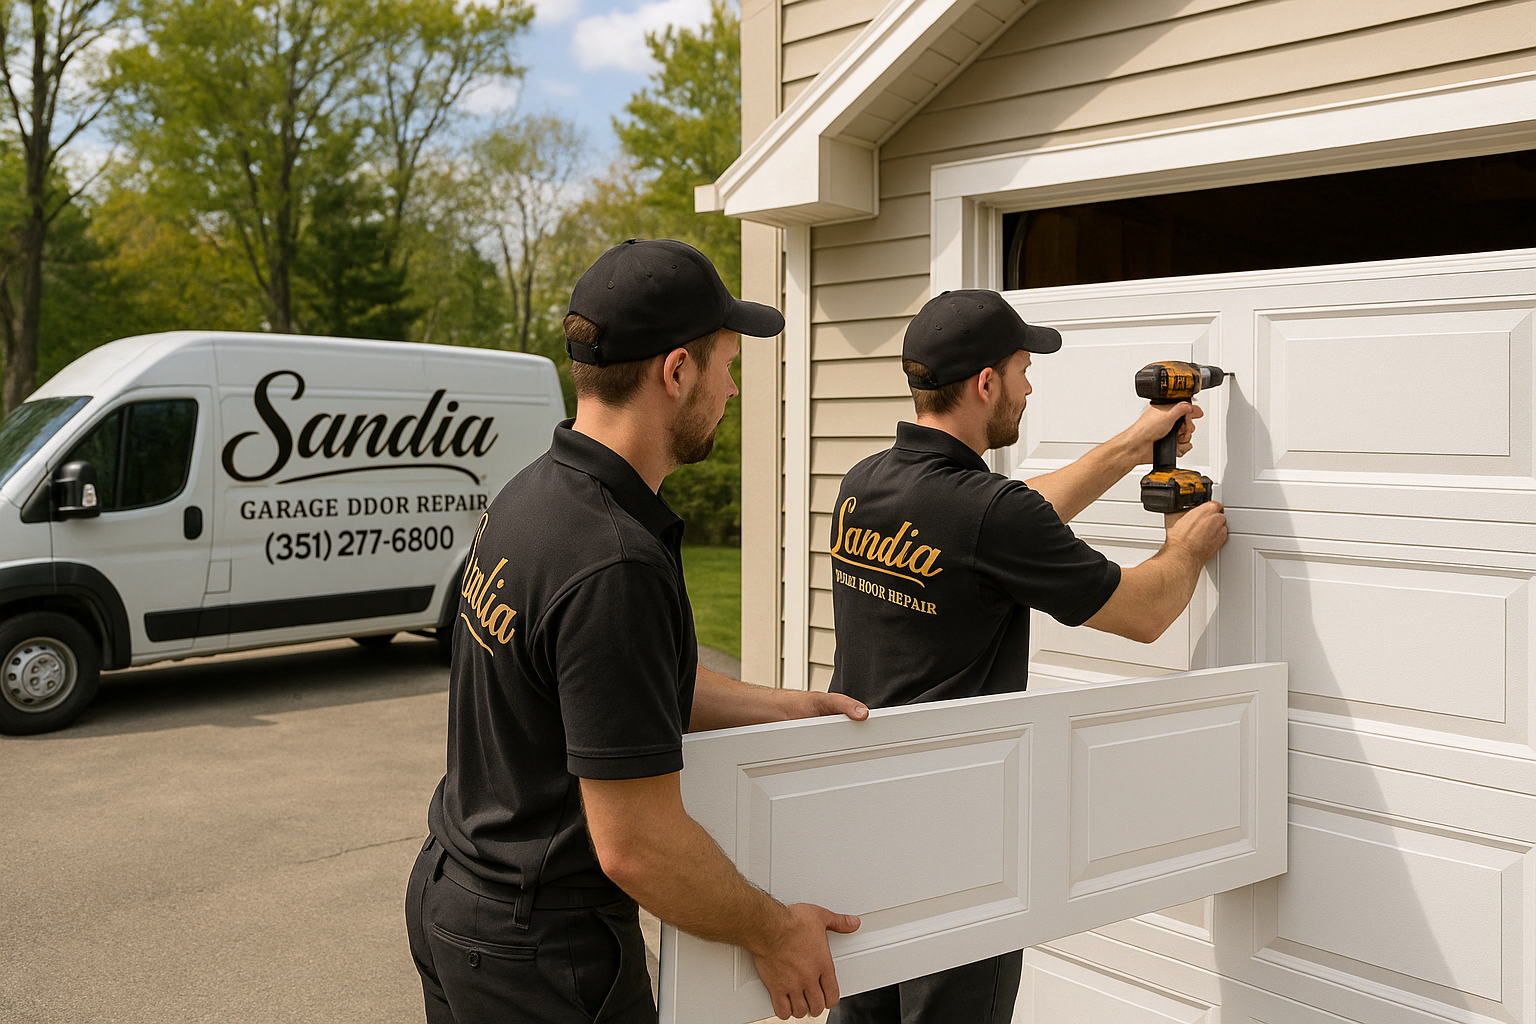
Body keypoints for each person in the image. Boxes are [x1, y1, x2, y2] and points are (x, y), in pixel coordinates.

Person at [406, 239, 870, 1024]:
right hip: (539, 952)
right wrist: (774, 932)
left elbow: (614, 691)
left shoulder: (533, 495)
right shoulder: (613, 561)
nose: (732, 388)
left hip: (455, 897)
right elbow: (637, 845)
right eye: (728, 365)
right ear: (677, 371)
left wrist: (788, 708)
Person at [826, 289, 1228, 1024]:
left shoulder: (866, 483)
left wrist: (1132, 445)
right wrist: (1186, 545)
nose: (1030, 387)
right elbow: (1144, 613)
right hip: (960, 837)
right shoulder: (986, 512)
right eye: (1022, 370)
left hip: (861, 813)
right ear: (986, 383)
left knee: (865, 1014)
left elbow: (1004, 523)